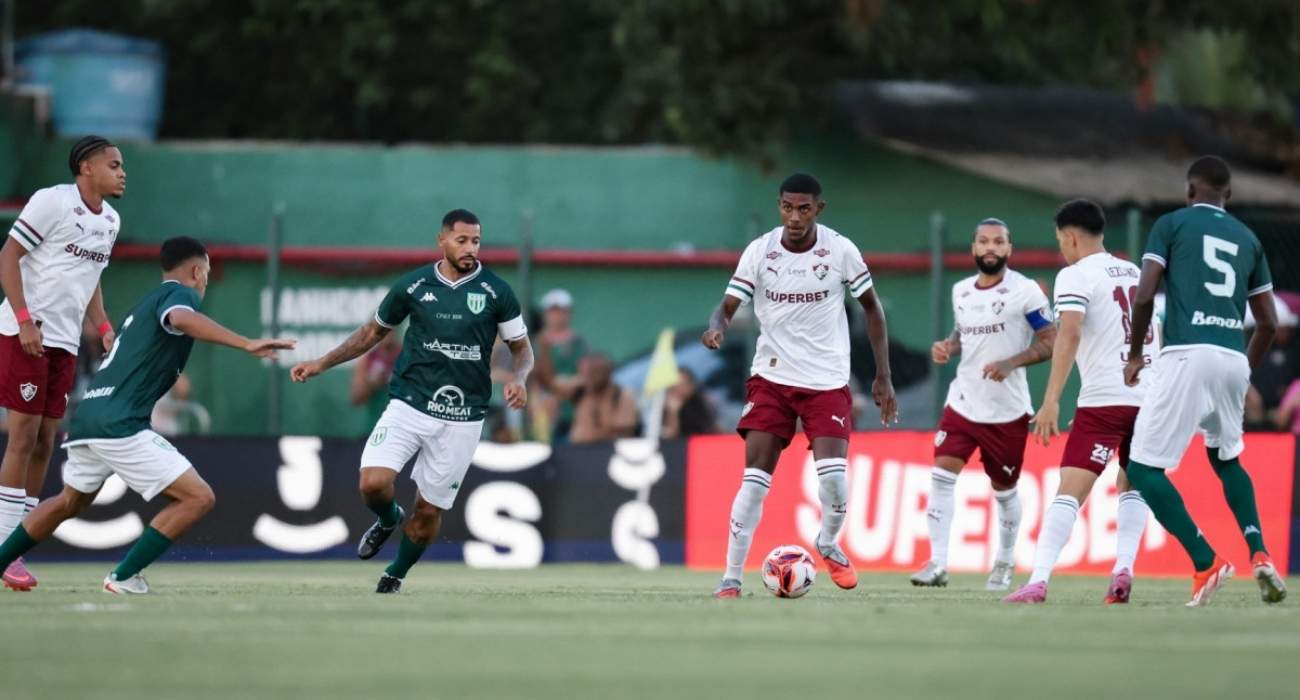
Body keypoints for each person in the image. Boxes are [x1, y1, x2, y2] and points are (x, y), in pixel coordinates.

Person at [0, 237, 294, 593]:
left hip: (89, 417)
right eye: (206, 273)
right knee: (198, 497)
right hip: (120, 424)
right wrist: (246, 342)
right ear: (196, 271)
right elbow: (180, 318)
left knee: (68, 501)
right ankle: (124, 576)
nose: (204, 281)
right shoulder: (181, 295)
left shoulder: (146, 302)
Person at [290, 209, 533, 594]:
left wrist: (519, 378)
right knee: (373, 484)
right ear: (442, 240)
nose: (470, 248)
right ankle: (388, 518)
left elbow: (522, 349)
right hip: (409, 403)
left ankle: (395, 575)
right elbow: (371, 333)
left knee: (428, 511)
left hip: (463, 415)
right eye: (462, 240)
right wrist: (322, 362)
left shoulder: (496, 291)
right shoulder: (414, 286)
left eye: (475, 241)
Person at [703, 172, 897, 599]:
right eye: (787, 208)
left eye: (803, 209)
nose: (794, 217)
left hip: (826, 381)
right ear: (779, 207)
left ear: (818, 209)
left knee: (834, 481)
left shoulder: (840, 250)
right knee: (754, 481)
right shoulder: (760, 251)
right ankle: (731, 578)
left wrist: (883, 376)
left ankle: (827, 541)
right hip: (771, 379)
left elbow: (872, 309)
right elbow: (727, 306)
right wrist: (717, 327)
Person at [1123, 156, 1287, 606]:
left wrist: (1135, 354)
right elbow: (1268, 323)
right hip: (1232, 356)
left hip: (1186, 353)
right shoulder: (1248, 237)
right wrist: (1244, 369)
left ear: (1189, 190)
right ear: (1227, 194)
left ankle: (1206, 560)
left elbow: (1144, 295)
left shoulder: (1171, 224)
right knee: (1226, 457)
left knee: (1142, 469)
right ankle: (1260, 552)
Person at [1003, 199, 1158, 605]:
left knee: (1070, 491)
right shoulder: (1134, 271)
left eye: (1060, 241)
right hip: (1151, 396)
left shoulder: (1074, 275)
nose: (1061, 249)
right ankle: (1123, 569)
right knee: (1131, 483)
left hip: (1105, 399)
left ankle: (1038, 580)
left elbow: (1069, 332)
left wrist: (1051, 400)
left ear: (1070, 237)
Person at [0, 136, 123, 591]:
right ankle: (4, 547)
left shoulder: (110, 221)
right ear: (87, 168)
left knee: (46, 441)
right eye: (114, 165)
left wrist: (103, 325)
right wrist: (24, 319)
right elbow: (8, 256)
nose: (122, 173)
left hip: (65, 343)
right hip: (25, 334)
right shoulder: (52, 201)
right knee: (23, 436)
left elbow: (90, 280)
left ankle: (16, 545)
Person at [911, 218, 1056, 591]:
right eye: (984, 241)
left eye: (998, 242)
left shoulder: (1025, 291)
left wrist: (1011, 362)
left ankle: (1005, 560)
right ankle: (937, 563)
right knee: (941, 475)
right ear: (974, 248)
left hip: (1006, 411)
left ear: (1009, 249)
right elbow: (964, 335)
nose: (991, 247)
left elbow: (1051, 341)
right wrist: (949, 347)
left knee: (1004, 490)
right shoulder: (961, 291)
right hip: (962, 402)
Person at [533, 288, 588, 441]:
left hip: (571, 409)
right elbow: (532, 378)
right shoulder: (536, 343)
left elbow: (586, 376)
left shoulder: (579, 343)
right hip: (542, 411)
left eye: (561, 311)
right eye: (552, 311)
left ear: (569, 313)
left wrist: (566, 384)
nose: (557, 316)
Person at [566, 352, 639, 444]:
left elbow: (625, 431)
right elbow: (553, 385)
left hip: (606, 449)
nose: (591, 377)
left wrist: (591, 434)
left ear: (607, 373)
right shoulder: (581, 391)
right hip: (577, 448)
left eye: (596, 372)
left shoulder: (622, 395)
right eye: (588, 373)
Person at [349, 328, 402, 428]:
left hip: (401, 425)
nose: (387, 335)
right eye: (382, 330)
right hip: (374, 425)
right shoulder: (369, 359)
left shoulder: (405, 356)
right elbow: (355, 399)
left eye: (389, 330)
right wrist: (371, 383)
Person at [662, 368, 719, 438]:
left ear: (692, 387)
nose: (678, 389)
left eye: (683, 384)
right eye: (673, 386)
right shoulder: (659, 410)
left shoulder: (702, 406)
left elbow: (713, 431)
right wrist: (672, 413)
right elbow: (668, 437)